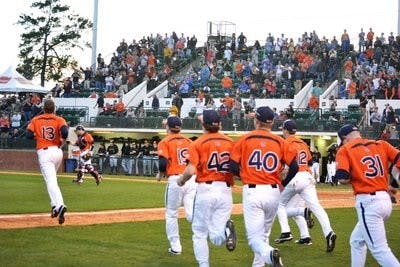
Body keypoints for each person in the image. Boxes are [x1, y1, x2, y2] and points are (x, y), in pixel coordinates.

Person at [230, 107, 298, 267]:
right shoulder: (280, 141)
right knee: (264, 235)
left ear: (256, 120)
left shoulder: (245, 139)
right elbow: (294, 167)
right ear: (272, 122)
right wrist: (283, 184)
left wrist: (243, 175)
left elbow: (232, 165)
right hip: (273, 191)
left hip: (253, 190)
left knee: (254, 240)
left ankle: (270, 255)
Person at [177, 110, 237, 267]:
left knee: (199, 233)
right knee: (216, 235)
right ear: (220, 124)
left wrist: (181, 180)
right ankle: (226, 231)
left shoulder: (197, 143)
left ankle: (204, 265)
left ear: (203, 125)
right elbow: (237, 168)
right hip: (225, 190)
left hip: (206, 189)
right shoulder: (231, 143)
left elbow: (190, 171)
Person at [335, 124, 400, 267]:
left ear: (344, 138)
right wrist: (394, 186)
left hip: (369, 203)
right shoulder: (381, 144)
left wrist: (359, 173)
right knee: (356, 241)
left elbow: (342, 178)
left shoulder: (345, 149)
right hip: (385, 200)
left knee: (380, 250)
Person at [274, 120, 336, 253]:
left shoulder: (285, 142)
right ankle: (328, 232)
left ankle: (286, 231)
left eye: (283, 129)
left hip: (295, 177)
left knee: (278, 205)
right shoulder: (302, 142)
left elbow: (285, 162)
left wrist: (283, 180)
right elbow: (309, 161)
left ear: (285, 130)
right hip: (307, 177)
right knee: (316, 207)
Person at [157, 116, 197, 255]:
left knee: (171, 214)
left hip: (176, 179)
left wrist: (160, 174)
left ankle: (176, 247)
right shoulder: (189, 141)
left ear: (168, 127)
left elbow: (162, 163)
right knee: (192, 213)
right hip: (191, 178)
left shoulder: (165, 141)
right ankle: (219, 227)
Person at [26, 99, 68, 224]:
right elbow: (65, 132)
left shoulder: (36, 119)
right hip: (57, 151)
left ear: (43, 108)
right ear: (54, 109)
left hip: (44, 153)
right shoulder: (59, 119)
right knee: (50, 179)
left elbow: (28, 135)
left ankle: (60, 205)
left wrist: (37, 135)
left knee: (51, 181)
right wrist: (62, 140)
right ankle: (54, 206)